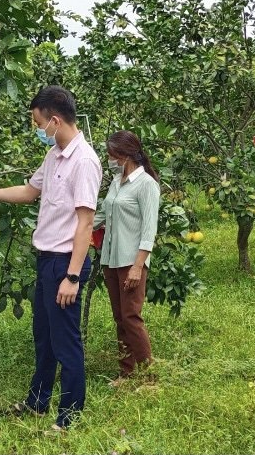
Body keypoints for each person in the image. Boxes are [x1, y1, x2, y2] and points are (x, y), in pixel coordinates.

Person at [0, 85, 101, 431]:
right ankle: (37, 403)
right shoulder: (54, 155)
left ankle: (70, 417)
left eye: (38, 124)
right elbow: (29, 191)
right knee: (45, 338)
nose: (37, 130)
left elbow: (85, 223)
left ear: (54, 120)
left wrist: (73, 276)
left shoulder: (84, 160)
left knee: (66, 342)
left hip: (66, 263)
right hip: (47, 259)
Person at [94, 130, 160, 386]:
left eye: (112, 155)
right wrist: (78, 227)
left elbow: (149, 230)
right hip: (111, 258)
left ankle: (149, 377)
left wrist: (137, 265)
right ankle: (127, 372)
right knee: (120, 317)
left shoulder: (147, 185)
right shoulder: (116, 181)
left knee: (132, 317)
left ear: (125, 155)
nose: (110, 160)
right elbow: (103, 214)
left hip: (131, 260)